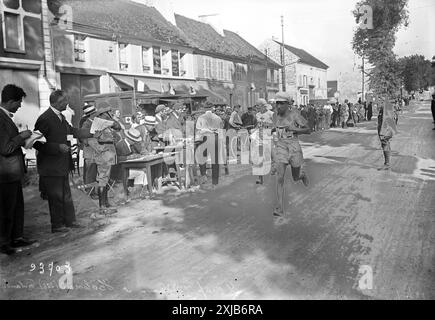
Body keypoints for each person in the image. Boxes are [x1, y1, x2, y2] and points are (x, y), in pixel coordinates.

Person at [34, 90, 92, 233]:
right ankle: (57, 225)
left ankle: (70, 221)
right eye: (66, 101)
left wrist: (93, 132)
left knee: (66, 194)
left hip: (62, 164)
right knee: (56, 196)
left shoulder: (60, 117)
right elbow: (36, 143)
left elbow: (72, 130)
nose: (68, 103)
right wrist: (57, 147)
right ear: (58, 102)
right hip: (51, 166)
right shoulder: (45, 119)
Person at [0, 84, 37, 255]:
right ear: (9, 101)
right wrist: (21, 136)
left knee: (16, 207)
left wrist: (24, 139)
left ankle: (16, 237)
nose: (20, 106)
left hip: (13, 172)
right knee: (7, 209)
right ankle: (4, 243)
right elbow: (5, 148)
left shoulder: (6, 117)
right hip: (6, 174)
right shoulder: (1, 118)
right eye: (18, 102)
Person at [272, 93, 310, 216]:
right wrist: (272, 130)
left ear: (288, 104)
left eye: (281, 103)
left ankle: (301, 175)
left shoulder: (295, 115)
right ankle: (279, 208)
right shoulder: (274, 116)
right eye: (277, 103)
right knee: (280, 178)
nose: (278, 105)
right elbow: (275, 128)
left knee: (295, 177)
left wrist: (294, 129)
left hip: (294, 148)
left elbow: (308, 129)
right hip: (281, 147)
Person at [195, 103, 223, 187]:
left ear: (204, 108)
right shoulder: (218, 118)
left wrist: (206, 130)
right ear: (212, 108)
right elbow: (221, 129)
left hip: (204, 138)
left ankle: (203, 175)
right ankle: (215, 180)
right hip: (215, 138)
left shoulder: (200, 117)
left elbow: (198, 130)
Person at [79, 103, 98, 198]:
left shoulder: (94, 122)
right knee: (90, 173)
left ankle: (92, 190)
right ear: (91, 115)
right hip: (90, 152)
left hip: (95, 152)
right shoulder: (86, 124)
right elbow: (82, 138)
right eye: (95, 113)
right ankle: (90, 192)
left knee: (93, 172)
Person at [377, 99, 395, 170]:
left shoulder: (385, 108)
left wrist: (383, 133)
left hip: (385, 131)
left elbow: (385, 121)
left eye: (380, 102)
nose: (378, 104)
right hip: (387, 130)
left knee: (385, 145)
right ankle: (387, 162)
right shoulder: (387, 107)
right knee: (386, 145)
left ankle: (387, 163)